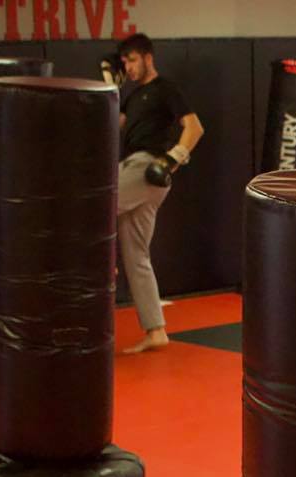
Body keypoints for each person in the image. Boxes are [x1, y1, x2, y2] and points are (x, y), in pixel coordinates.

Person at [116, 33, 205, 354]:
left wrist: (171, 160)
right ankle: (156, 331)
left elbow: (194, 128)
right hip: (140, 173)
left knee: (93, 208)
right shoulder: (130, 97)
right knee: (137, 257)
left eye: (132, 60)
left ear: (148, 58)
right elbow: (110, 125)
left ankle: (95, 270)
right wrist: (109, 88)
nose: (128, 67)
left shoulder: (165, 89)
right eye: (124, 62)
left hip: (146, 167)